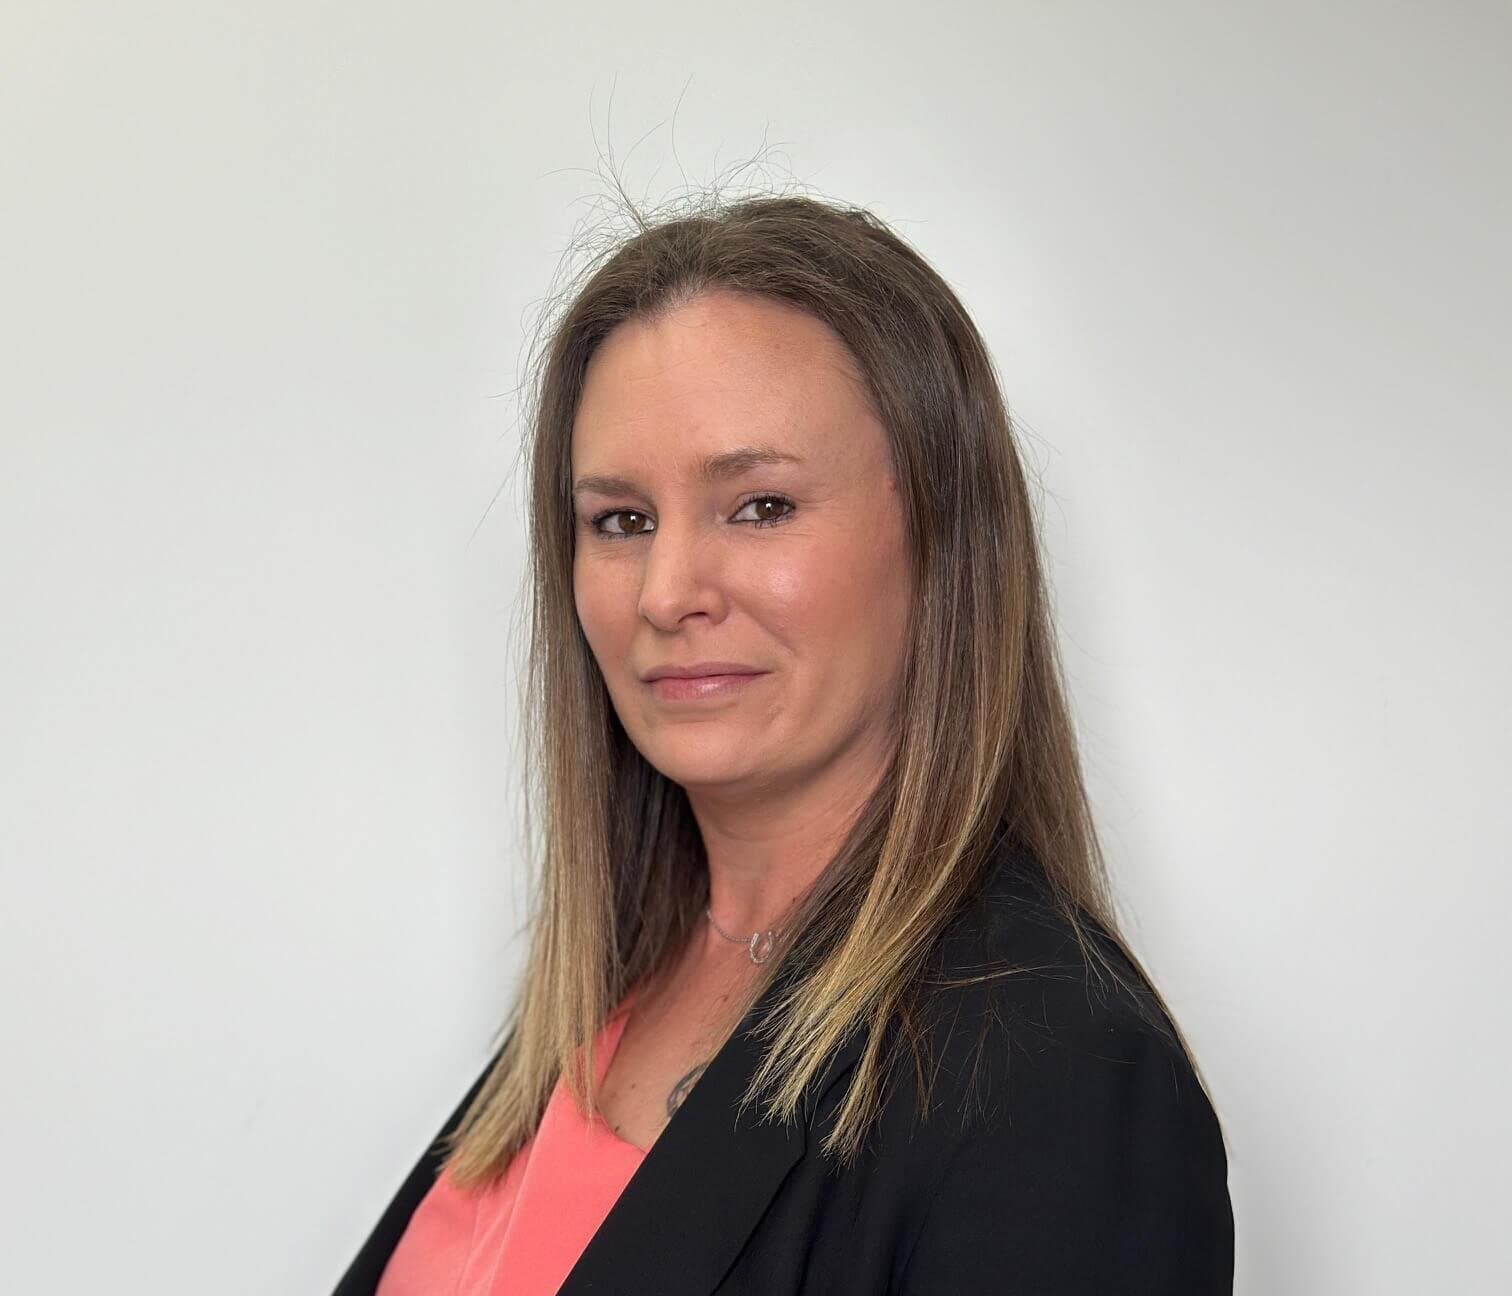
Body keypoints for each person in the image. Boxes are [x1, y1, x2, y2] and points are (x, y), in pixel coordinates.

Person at [333, 193, 1235, 1294]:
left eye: (758, 506)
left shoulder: (1061, 1078)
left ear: (948, 546)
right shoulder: (612, 988)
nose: (667, 593)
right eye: (621, 520)